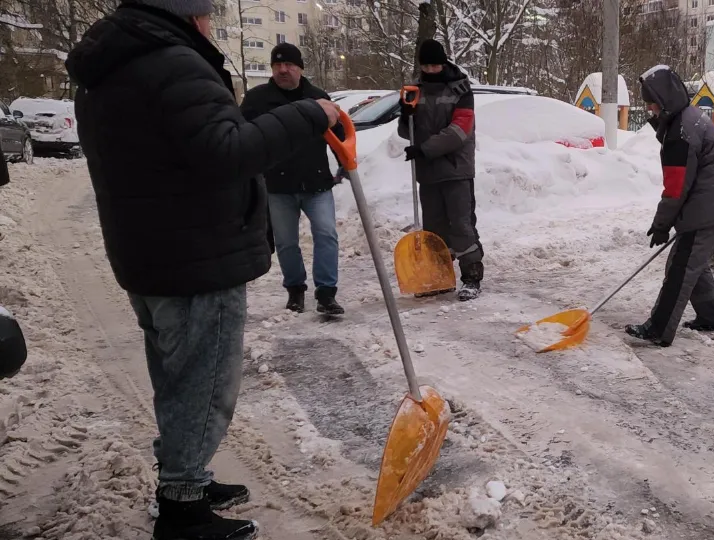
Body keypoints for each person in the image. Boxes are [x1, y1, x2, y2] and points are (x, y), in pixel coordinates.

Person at [64, 1, 340, 539]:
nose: (212, 23)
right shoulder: (173, 63)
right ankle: (183, 508)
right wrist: (311, 114)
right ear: (191, 16)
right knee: (203, 384)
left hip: (148, 252)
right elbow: (227, 151)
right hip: (193, 257)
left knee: (175, 377)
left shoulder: (109, 69)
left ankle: (184, 474)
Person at [624, 65, 714, 348]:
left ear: (664, 100)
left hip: (707, 206)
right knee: (693, 264)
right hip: (712, 203)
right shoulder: (688, 118)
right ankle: (712, 316)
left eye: (651, 101)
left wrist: (662, 223)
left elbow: (676, 188)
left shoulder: (680, 131)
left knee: (680, 266)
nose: (649, 107)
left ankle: (659, 328)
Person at [241, 43, 345, 315]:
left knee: (326, 234)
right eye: (277, 66)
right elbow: (242, 139)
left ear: (300, 68)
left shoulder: (318, 97)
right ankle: (295, 290)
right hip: (277, 185)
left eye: (288, 65)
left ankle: (326, 293)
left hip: (316, 183)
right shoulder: (256, 100)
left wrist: (345, 161)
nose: (283, 70)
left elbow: (340, 134)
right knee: (286, 242)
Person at [398, 38, 484, 301]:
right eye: (427, 65)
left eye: (435, 65)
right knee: (434, 228)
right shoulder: (414, 90)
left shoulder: (461, 90)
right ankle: (440, 277)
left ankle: (471, 277)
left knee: (461, 224)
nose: (432, 70)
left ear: (443, 62)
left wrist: (424, 149)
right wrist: (405, 114)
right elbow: (406, 132)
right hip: (429, 171)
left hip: (456, 168)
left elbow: (459, 132)